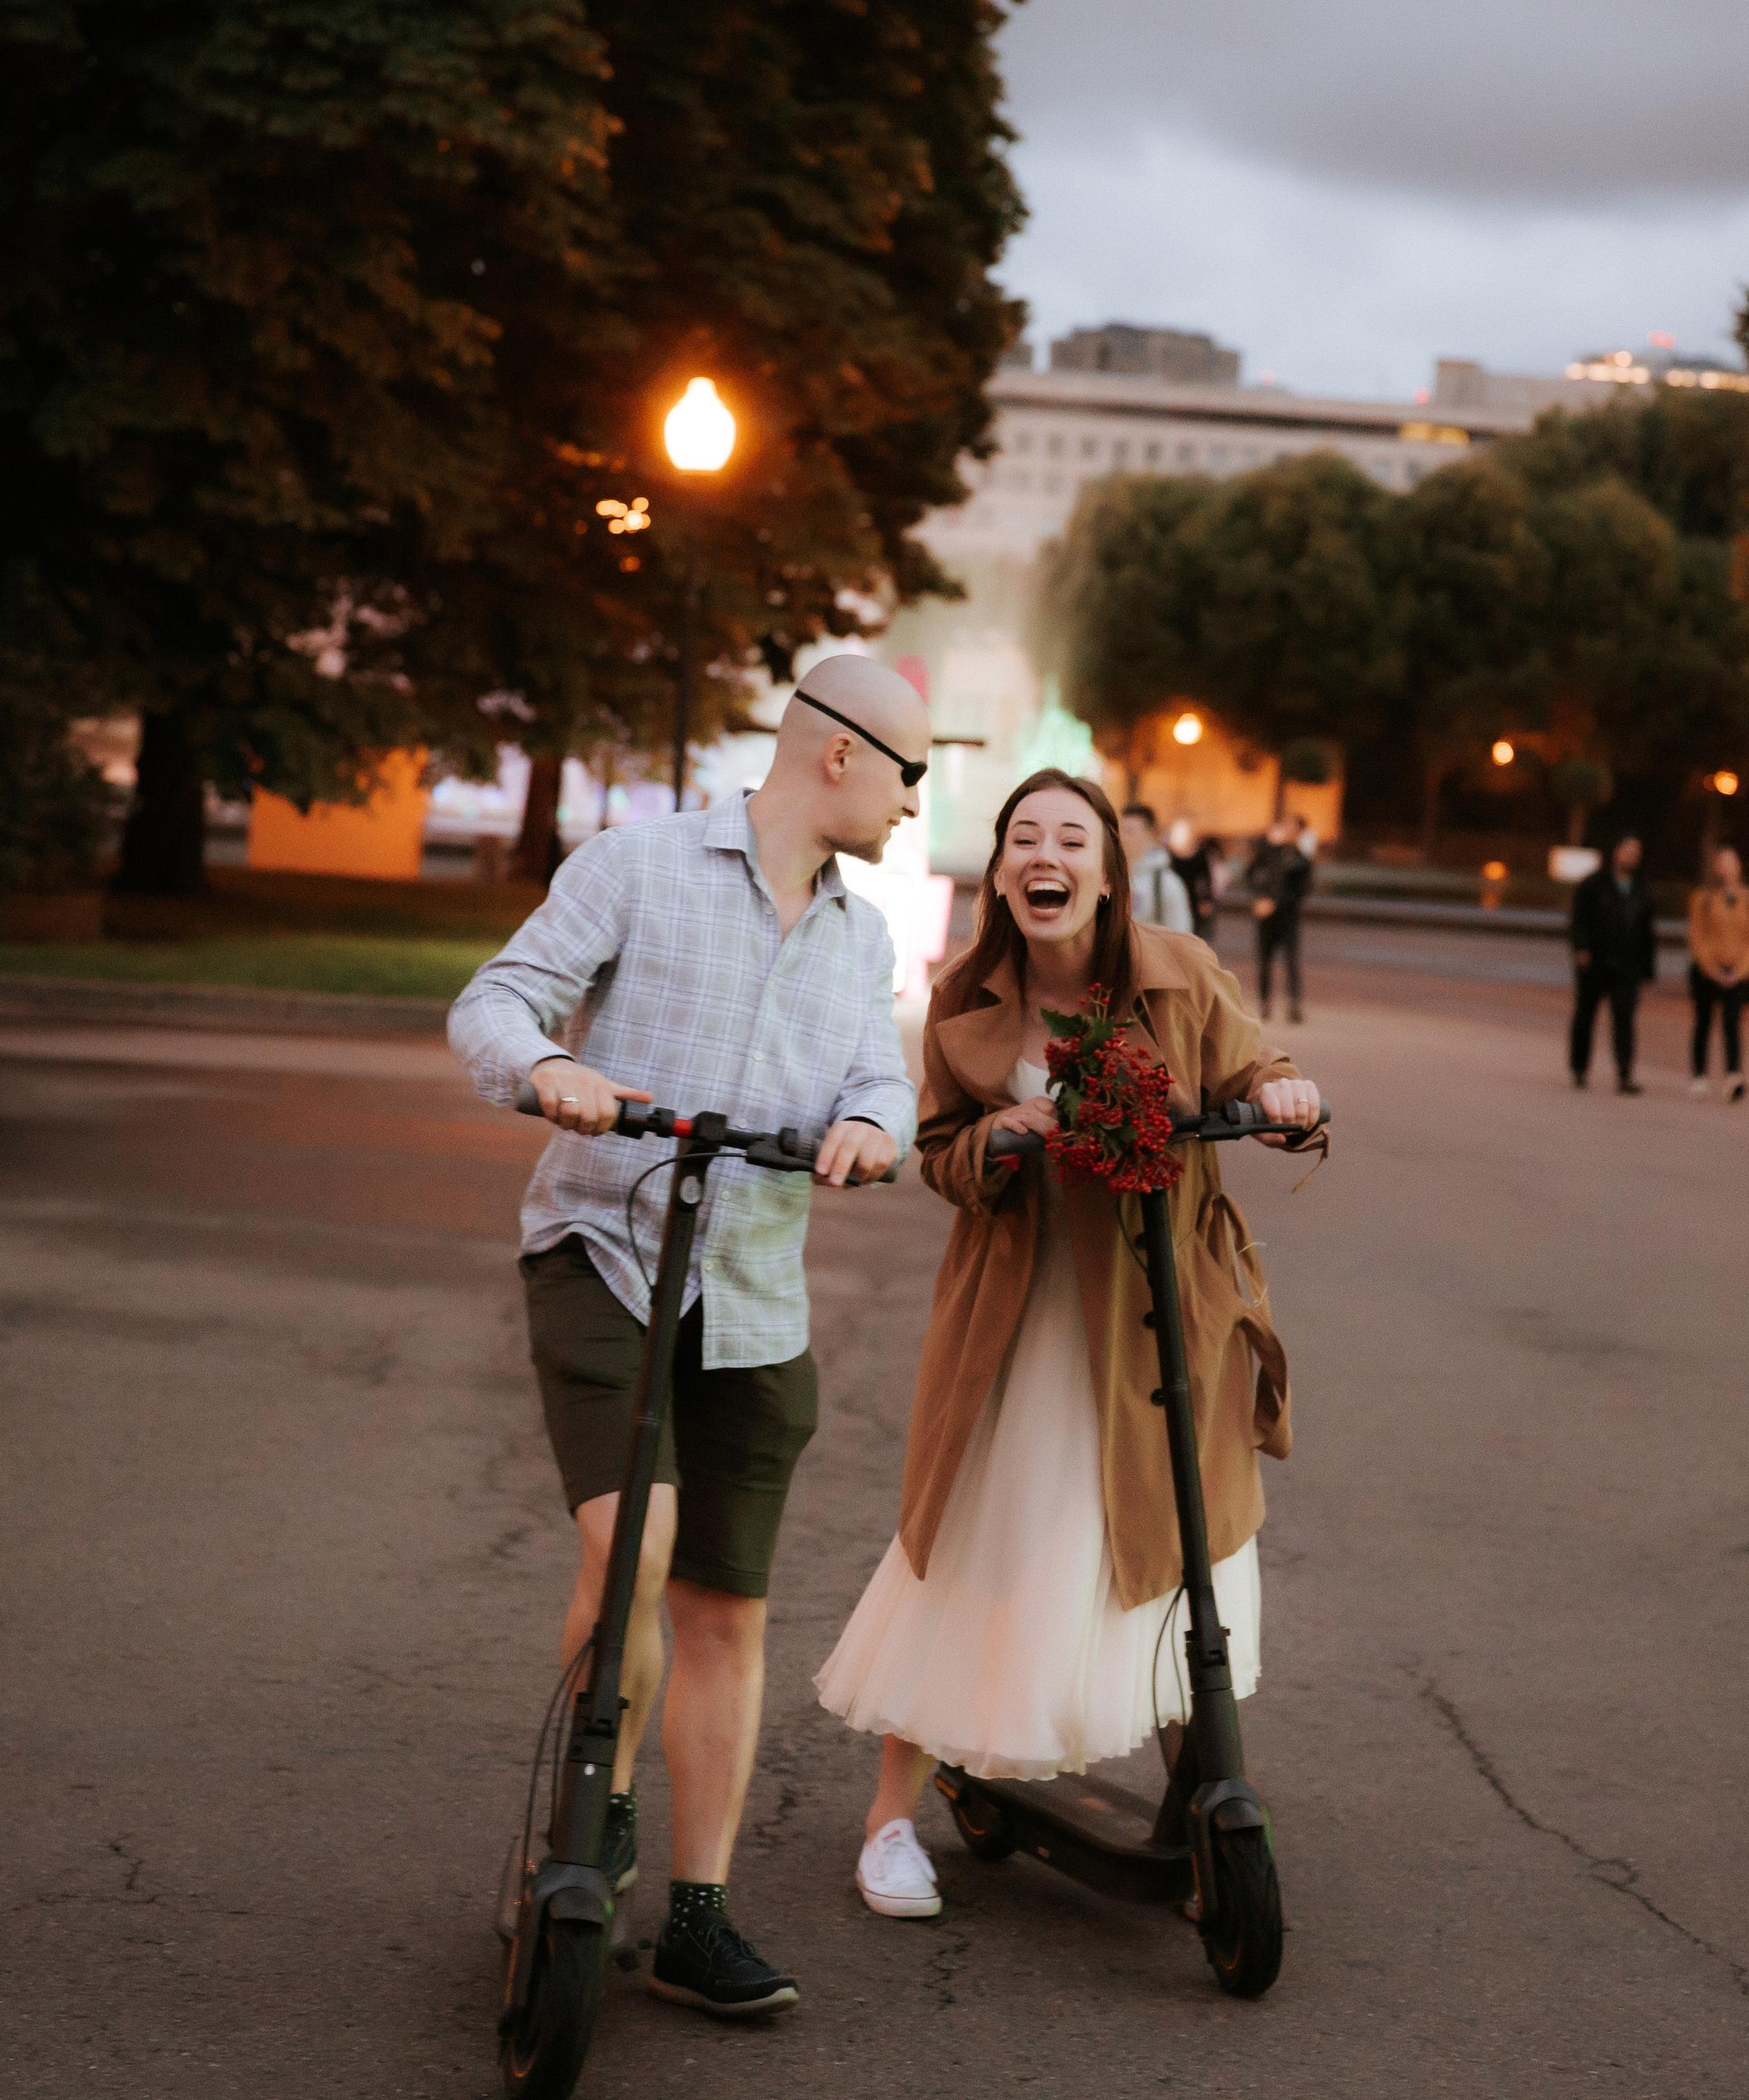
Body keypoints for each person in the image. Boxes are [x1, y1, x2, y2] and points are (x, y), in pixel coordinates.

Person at [449, 653, 925, 2019]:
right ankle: (584, 1835)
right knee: (633, 1549)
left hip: (756, 1296)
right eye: (908, 769)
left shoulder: (861, 934)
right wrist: (550, 1070)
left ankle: (698, 1920)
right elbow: (494, 1000)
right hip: (606, 1257)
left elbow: (880, 1078)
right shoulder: (638, 865)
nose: (913, 800)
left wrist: (871, 1130)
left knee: (724, 1610)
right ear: (839, 755)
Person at [814, 769, 1323, 1920]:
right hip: (1021, 1315)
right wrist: (1001, 1133)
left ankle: (1207, 1801)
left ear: (1104, 871)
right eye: (1024, 838)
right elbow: (938, 1151)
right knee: (977, 1541)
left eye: (1070, 839)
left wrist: (1287, 1096)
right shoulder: (965, 1000)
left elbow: (1258, 1068)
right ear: (1002, 870)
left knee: (1175, 1546)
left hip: (1158, 1315)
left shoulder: (1178, 974)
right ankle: (890, 1818)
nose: (1046, 856)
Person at [1568, 834, 1657, 1094]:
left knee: (1625, 1020)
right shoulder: (1593, 884)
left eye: (1636, 852)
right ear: (1616, 852)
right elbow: (1578, 919)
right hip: (1594, 963)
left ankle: (1624, 1073)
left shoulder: (1642, 890)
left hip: (1627, 966)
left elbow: (1647, 933)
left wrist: (1648, 969)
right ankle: (1579, 1068)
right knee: (1585, 1015)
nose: (1632, 856)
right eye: (1628, 850)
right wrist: (1580, 948)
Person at [1687, 846, 1749, 1101]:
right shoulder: (1704, 897)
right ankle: (1699, 1074)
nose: (1727, 868)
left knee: (1732, 1024)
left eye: (1732, 863)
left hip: (1737, 971)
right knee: (1703, 1023)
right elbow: (1697, 935)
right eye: (1722, 863)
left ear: (1739, 867)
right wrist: (1711, 968)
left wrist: (1741, 970)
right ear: (1716, 868)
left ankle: (1734, 1074)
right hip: (1707, 971)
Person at [1244, 814, 1314, 1022]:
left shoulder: (1300, 859)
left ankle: (1293, 1004)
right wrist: (1258, 899)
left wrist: (1274, 904)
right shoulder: (1264, 854)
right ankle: (1264, 1003)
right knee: (1264, 961)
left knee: (1291, 962)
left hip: (1287, 919)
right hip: (1265, 919)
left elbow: (1301, 890)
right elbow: (1251, 876)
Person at [1120, 802, 1195, 933]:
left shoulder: (1167, 884)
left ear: (1150, 835)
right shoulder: (1113, 878)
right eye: (1120, 831)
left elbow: (1181, 936)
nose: (1122, 838)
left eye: (1129, 831)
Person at [1166, 817, 1221, 946]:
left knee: (1194, 933)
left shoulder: (1201, 854)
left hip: (1193, 898)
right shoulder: (1168, 854)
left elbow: (1206, 879)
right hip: (1174, 897)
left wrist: (1206, 899)